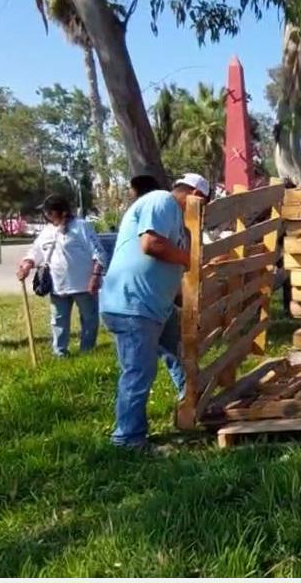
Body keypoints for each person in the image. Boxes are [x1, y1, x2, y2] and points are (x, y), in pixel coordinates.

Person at [99, 180, 195, 450]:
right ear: (194, 195)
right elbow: (151, 244)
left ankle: (192, 405)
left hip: (155, 307)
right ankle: (128, 439)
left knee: (182, 354)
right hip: (133, 305)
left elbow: (170, 276)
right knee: (139, 371)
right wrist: (191, 260)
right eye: (203, 204)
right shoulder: (161, 200)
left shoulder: (179, 224)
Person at [16, 194, 109, 357]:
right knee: (58, 321)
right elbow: (35, 252)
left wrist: (95, 276)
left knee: (89, 320)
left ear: (55, 212)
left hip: (84, 285)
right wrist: (26, 265)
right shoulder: (46, 231)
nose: (45, 215)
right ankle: (60, 353)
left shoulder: (81, 226)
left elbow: (99, 253)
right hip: (58, 287)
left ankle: (87, 352)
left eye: (47, 212)